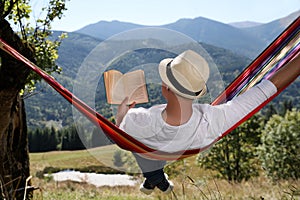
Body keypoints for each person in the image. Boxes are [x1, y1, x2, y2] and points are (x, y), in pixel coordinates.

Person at [115, 50, 300, 195]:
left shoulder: (140, 120)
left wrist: (122, 111)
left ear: (165, 89)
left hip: (153, 146)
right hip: (182, 146)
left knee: (142, 148)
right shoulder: (214, 120)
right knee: (148, 149)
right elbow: (266, 89)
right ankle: (155, 179)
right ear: (195, 92)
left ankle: (154, 177)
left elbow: (119, 132)